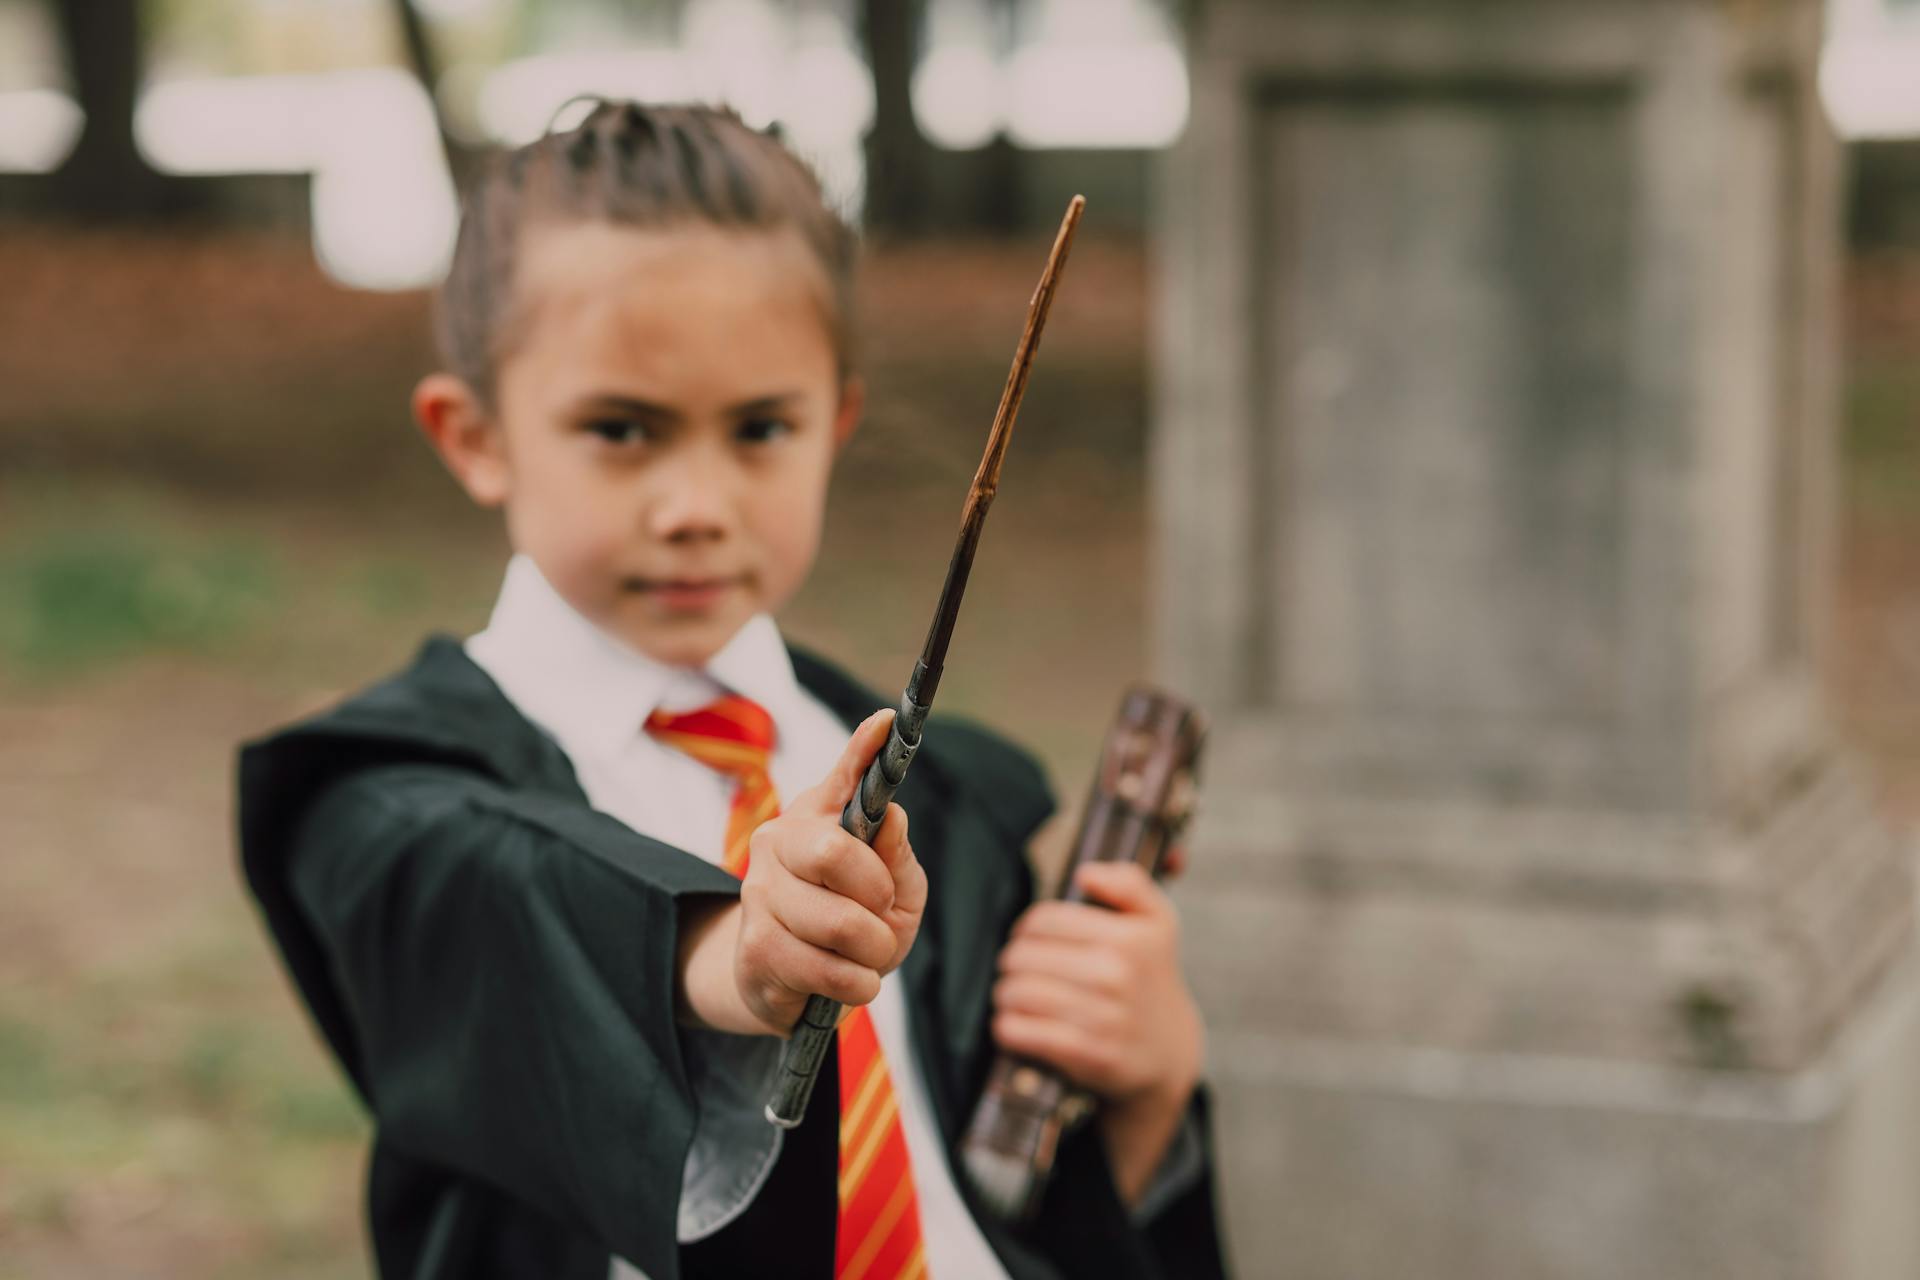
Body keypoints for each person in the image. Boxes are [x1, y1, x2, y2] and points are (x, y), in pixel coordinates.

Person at [237, 100, 1228, 1280]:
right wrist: (740, 957)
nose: (696, 501)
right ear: (475, 435)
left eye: (760, 426)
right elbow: (525, 912)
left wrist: (1147, 1090)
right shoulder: (385, 802)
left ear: (835, 422)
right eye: (622, 428)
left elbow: (1017, 1207)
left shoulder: (945, 805)